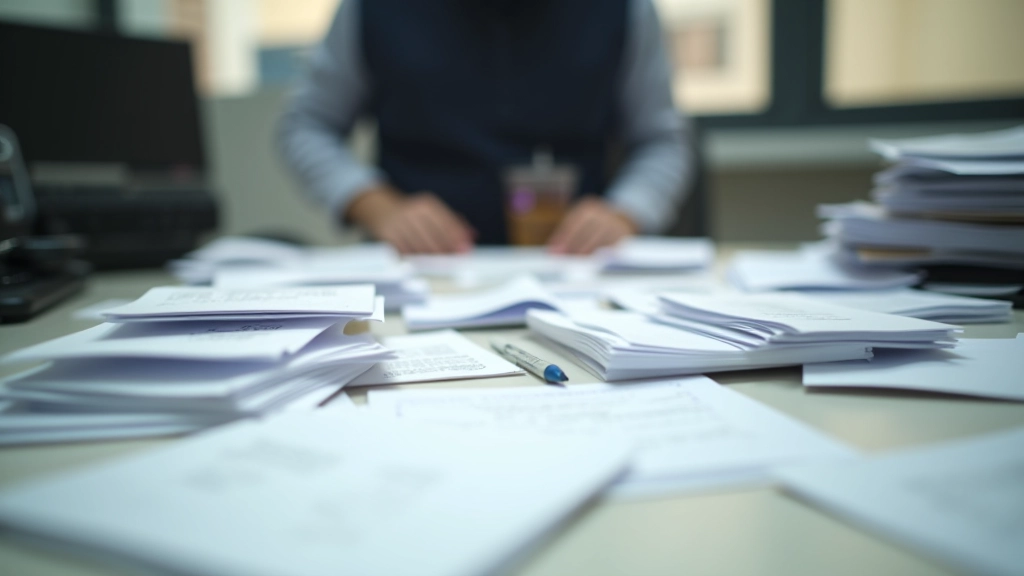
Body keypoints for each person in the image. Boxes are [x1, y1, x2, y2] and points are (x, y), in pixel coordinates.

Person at [278, 0, 692, 255]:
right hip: (420, 274)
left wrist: (625, 212)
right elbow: (307, 125)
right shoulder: (371, 7)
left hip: (575, 274)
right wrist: (377, 206)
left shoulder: (626, 7)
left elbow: (662, 141)